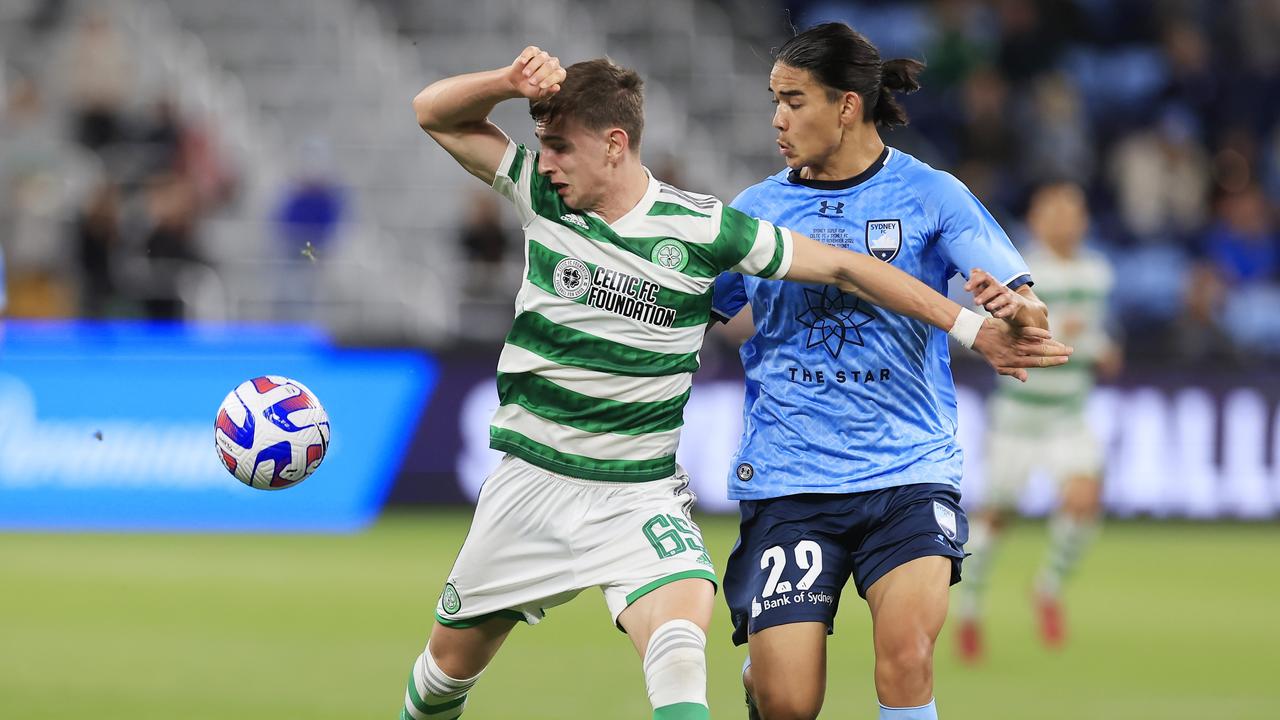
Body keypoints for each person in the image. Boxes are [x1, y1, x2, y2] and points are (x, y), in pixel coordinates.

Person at [404, 46, 1070, 720]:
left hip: (710, 488)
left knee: (798, 653)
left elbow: (860, 271)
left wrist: (982, 325)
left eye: (792, 100)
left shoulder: (738, 225)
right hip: (595, 483)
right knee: (443, 682)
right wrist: (506, 82)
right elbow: (433, 113)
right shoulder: (561, 197)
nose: (776, 119)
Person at [709, 23, 1053, 720]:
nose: (777, 118)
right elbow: (700, 311)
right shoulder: (757, 210)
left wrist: (1018, 313)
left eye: (794, 100)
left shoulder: (930, 194)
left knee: (907, 659)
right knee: (789, 703)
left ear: (845, 106)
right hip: (791, 480)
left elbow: (1028, 307)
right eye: (774, 100)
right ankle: (763, 677)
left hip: (907, 470)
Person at [955, 181, 1119, 662]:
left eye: (1074, 210)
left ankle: (1047, 588)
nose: (1067, 220)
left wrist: (1100, 347)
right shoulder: (1019, 270)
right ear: (1038, 218)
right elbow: (1005, 332)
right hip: (1019, 419)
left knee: (1085, 501)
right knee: (996, 517)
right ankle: (970, 607)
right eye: (1056, 210)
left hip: (1069, 415)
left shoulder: (1097, 272)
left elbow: (1090, 332)